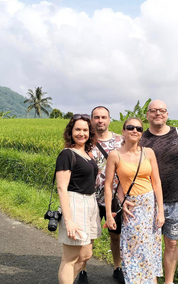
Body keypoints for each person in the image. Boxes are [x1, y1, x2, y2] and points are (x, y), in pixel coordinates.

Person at [136, 100, 178, 284]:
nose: (158, 113)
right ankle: (152, 279)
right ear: (147, 114)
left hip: (176, 199)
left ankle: (169, 281)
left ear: (167, 114)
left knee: (172, 243)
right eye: (153, 111)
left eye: (162, 110)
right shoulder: (140, 137)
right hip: (147, 200)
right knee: (149, 243)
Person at [105, 117, 165, 284]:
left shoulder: (149, 153)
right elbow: (109, 186)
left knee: (150, 249)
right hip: (132, 208)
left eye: (139, 129)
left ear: (141, 133)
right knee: (132, 249)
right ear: (123, 131)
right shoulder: (115, 155)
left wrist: (160, 211)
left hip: (149, 207)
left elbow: (157, 182)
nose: (135, 131)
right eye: (130, 127)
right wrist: (111, 214)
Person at [76, 106, 124, 284]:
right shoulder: (84, 140)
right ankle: (82, 270)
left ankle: (117, 267)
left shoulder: (121, 140)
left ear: (110, 119)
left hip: (116, 199)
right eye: (96, 117)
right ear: (91, 120)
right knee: (88, 235)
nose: (100, 120)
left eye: (103, 117)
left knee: (116, 235)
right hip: (90, 197)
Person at [55, 114, 101, 284]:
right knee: (70, 257)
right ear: (70, 132)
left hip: (90, 203)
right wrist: (69, 221)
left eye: (85, 130)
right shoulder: (67, 154)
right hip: (75, 203)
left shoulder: (87, 154)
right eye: (77, 129)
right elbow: (62, 188)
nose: (81, 133)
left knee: (85, 255)